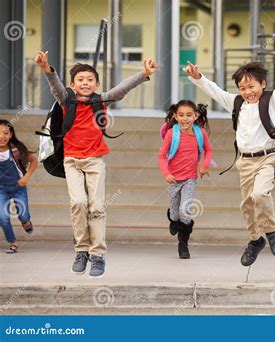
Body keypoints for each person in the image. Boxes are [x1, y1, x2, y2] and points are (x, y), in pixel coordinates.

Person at [183, 43, 275, 266]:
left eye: (251, 86)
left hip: (267, 158)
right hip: (244, 162)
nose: (247, 92)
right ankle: (256, 240)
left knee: (259, 195)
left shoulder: (271, 102)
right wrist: (198, 77)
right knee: (246, 205)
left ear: (262, 85)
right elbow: (215, 92)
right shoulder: (236, 103)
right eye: (242, 88)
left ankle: (272, 232)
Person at [35, 50, 157, 277]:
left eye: (90, 80)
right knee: (78, 203)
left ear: (97, 83)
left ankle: (98, 255)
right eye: (80, 80)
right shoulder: (66, 99)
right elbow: (56, 86)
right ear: (72, 84)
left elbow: (122, 89)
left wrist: (144, 74)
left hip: (95, 161)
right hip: (71, 161)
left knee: (97, 207)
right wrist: (46, 68)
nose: (85, 83)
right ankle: (81, 250)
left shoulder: (101, 100)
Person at [158, 100, 213, 259]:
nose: (185, 118)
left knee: (185, 211)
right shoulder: (171, 134)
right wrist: (166, 173)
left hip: (190, 178)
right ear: (175, 116)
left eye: (189, 115)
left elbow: (208, 151)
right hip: (173, 179)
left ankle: (183, 245)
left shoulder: (200, 133)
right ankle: (173, 219)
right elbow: (162, 156)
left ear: (196, 116)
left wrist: (204, 166)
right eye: (181, 115)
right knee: (175, 215)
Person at [0, 120, 37, 253]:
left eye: (5, 133)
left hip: (18, 187)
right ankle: (12, 242)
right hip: (1, 189)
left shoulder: (16, 149)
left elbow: (33, 160)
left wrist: (26, 177)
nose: (1, 136)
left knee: (24, 215)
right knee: (3, 217)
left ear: (10, 135)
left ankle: (24, 220)